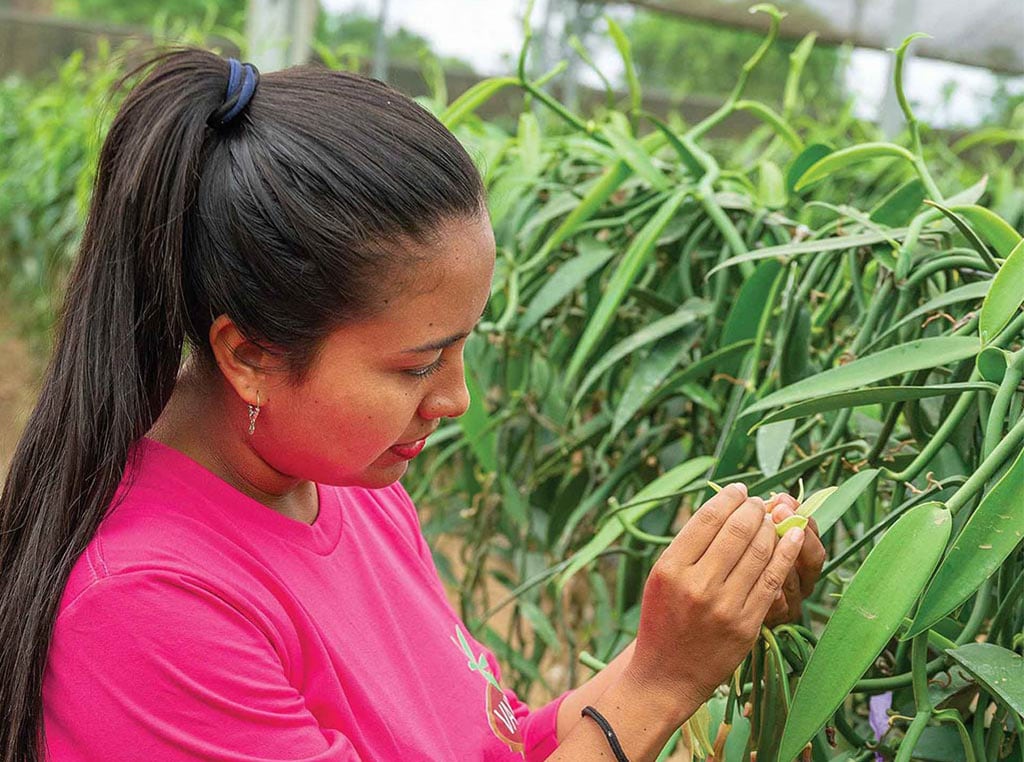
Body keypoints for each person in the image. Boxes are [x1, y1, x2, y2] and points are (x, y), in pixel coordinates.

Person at [0, 49, 825, 762]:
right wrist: (659, 683)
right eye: (416, 365)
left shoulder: (348, 489)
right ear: (250, 357)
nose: (456, 399)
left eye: (464, 345)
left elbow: (488, 741)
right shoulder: (150, 607)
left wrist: (691, 636)